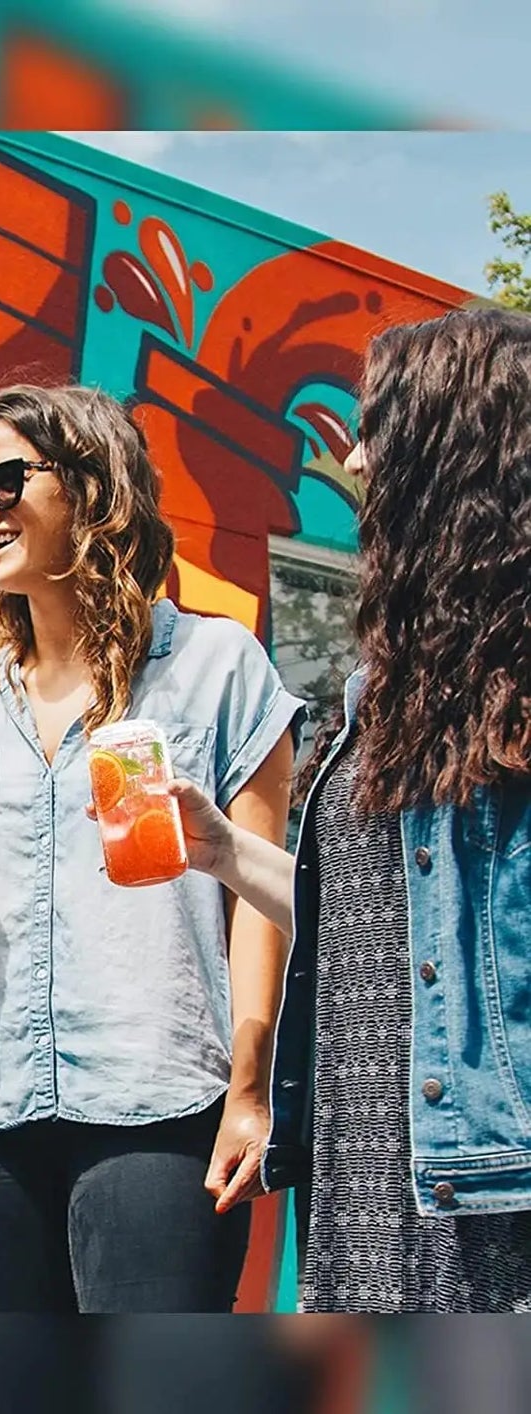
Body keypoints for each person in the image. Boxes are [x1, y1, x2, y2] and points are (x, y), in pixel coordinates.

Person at [0, 383, 304, 1312]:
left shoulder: (218, 668)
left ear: (95, 488)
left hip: (160, 1106)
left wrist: (250, 1090)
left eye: (10, 477)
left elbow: (262, 906)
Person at [159, 307, 531, 1312]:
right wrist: (227, 850)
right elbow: (371, 925)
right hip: (363, 1170)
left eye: (376, 430)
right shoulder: (385, 688)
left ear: (446, 453)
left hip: (488, 1192)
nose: (355, 459)